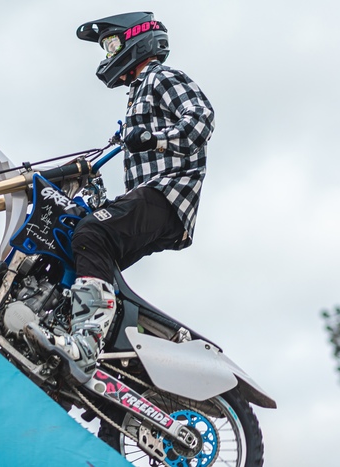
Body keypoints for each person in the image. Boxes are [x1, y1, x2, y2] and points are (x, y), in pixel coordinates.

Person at [29, 11, 215, 374]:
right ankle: (70, 336)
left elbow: (201, 117)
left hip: (167, 193)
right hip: (154, 198)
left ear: (138, 39)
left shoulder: (161, 77)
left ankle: (86, 343)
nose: (108, 54)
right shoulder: (135, 98)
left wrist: (155, 139)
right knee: (83, 252)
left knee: (91, 233)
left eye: (111, 44)